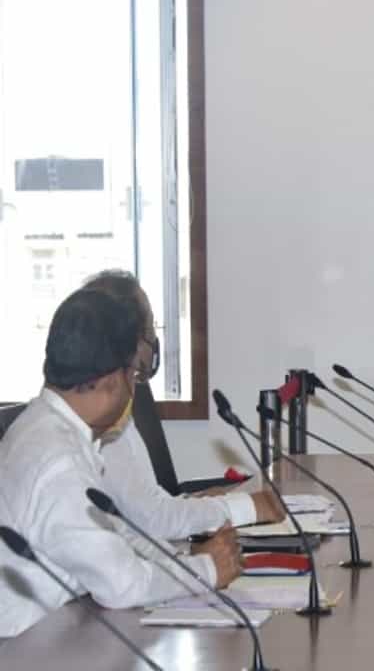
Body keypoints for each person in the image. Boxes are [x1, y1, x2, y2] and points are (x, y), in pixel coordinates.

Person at [0, 289, 241, 638]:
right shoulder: (61, 462)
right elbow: (121, 586)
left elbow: (118, 536)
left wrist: (184, 562)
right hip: (30, 648)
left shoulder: (43, 427)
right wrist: (207, 570)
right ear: (114, 379)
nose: (133, 389)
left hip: (63, 631)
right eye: (134, 375)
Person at [84, 270, 284, 537]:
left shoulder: (121, 404)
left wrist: (199, 502)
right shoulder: (101, 415)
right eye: (150, 328)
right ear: (127, 336)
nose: (154, 340)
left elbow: (146, 505)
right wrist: (248, 508)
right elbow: (151, 521)